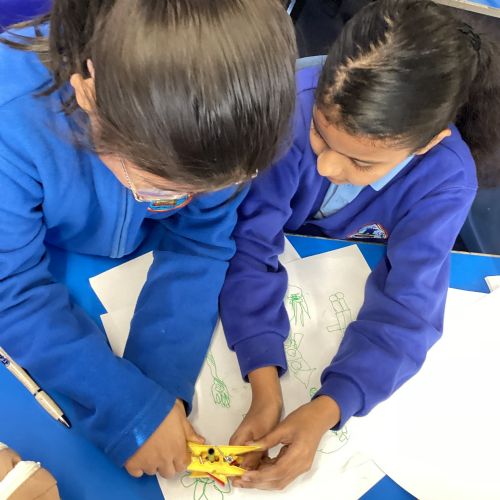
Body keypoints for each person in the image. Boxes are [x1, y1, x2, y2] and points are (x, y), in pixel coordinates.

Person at [0, 0, 296, 479]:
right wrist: (125, 407)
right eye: (164, 190)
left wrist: (155, 393)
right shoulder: (10, 118)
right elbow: (10, 289)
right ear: (88, 92)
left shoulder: (228, 115)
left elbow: (202, 241)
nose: (191, 201)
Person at [220, 0, 500, 490]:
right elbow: (248, 242)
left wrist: (329, 408)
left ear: (427, 143)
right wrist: (264, 384)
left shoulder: (446, 178)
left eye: (362, 163)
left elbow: (408, 309)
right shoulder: (287, 106)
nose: (327, 166)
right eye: (320, 135)